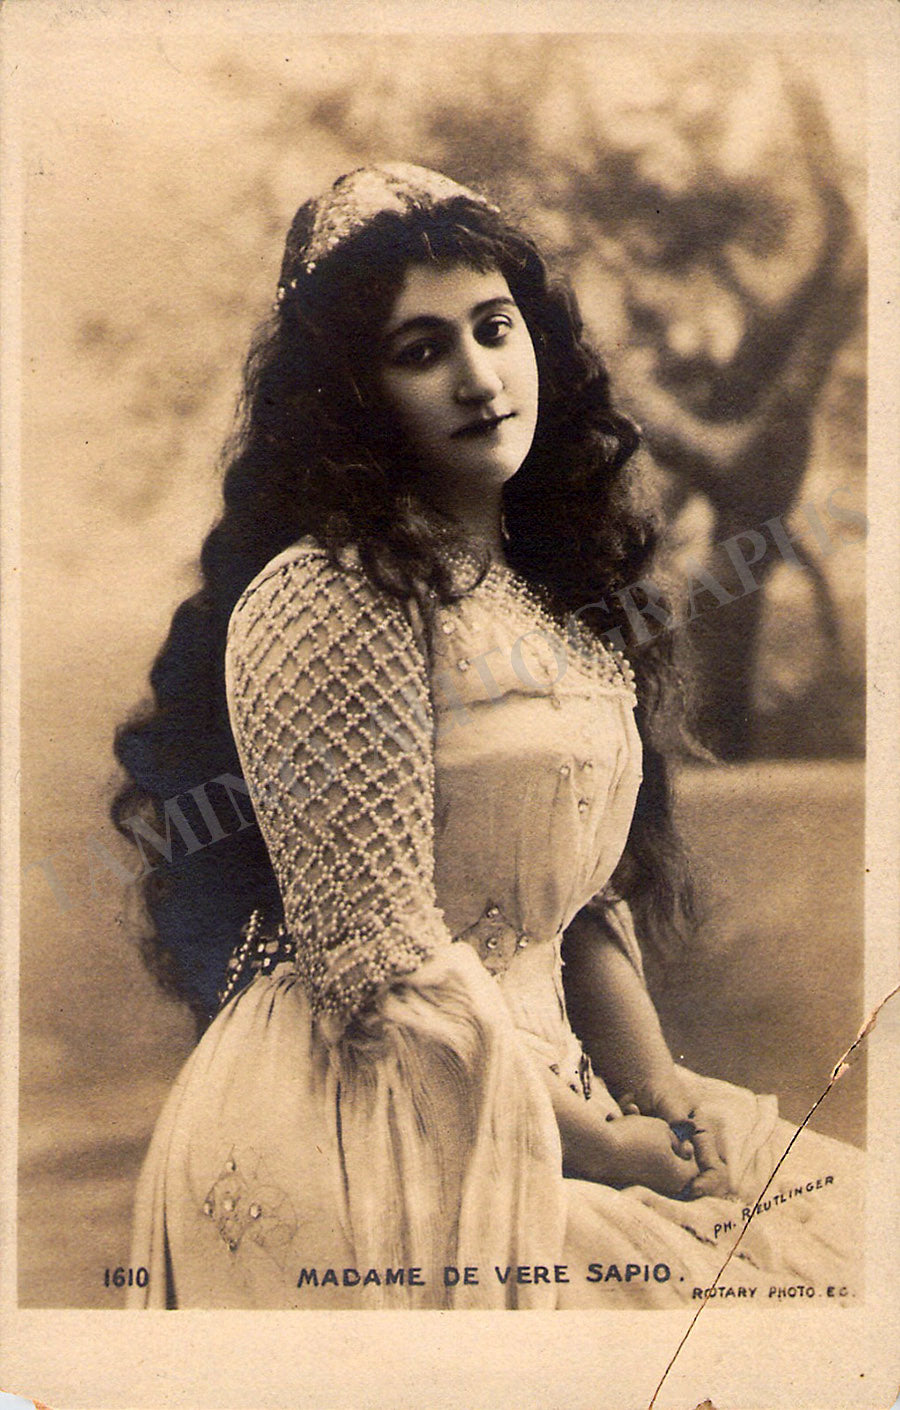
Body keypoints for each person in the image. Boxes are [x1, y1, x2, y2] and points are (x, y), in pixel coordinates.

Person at [114, 163, 860, 1309]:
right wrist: (603, 1149)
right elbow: (379, 967)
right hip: (369, 1116)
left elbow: (577, 907)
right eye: (422, 350)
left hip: (554, 1096)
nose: (477, 376)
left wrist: (661, 1097)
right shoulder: (331, 595)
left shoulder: (557, 594)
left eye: (494, 329)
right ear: (354, 396)